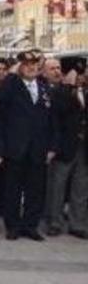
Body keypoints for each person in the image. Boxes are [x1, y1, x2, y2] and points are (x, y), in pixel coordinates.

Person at [0, 51, 54, 241]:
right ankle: (13, 226)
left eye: (35, 64)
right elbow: (0, 105)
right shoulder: (12, 85)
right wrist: (12, 73)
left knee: (35, 190)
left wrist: (52, 147)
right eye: (27, 64)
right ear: (20, 67)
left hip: (38, 148)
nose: (31, 68)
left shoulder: (44, 88)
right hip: (16, 147)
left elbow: (52, 121)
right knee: (13, 189)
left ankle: (30, 225)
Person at [42, 59, 82, 237]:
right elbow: (61, 110)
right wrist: (69, 87)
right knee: (57, 186)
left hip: (83, 147)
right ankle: (54, 221)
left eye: (59, 68)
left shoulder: (83, 91)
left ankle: (78, 223)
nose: (57, 72)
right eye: (54, 69)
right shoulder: (56, 92)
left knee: (80, 188)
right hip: (64, 146)